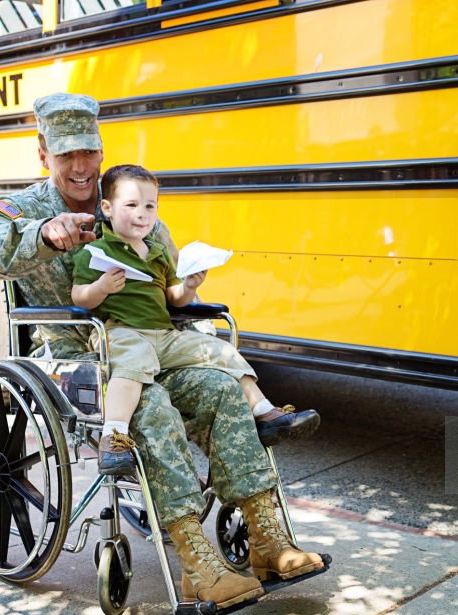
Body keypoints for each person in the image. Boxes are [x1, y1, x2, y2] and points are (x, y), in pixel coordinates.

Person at [0, 93, 324, 610]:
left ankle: (268, 541)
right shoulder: (24, 209)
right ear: (43, 153)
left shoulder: (130, 204)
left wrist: (187, 286)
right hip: (79, 360)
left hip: (151, 347)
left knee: (222, 388)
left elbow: (168, 291)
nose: (82, 166)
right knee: (149, 409)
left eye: (89, 151)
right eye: (67, 155)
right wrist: (43, 234)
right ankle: (198, 563)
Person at [70, 164, 319, 475]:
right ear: (107, 208)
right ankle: (114, 436)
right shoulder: (96, 250)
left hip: (163, 334)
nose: (143, 213)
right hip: (122, 332)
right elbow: (79, 296)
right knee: (134, 359)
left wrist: (188, 287)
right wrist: (101, 287)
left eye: (150, 205)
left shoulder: (157, 252)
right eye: (131, 205)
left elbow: (173, 299)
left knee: (220, 350)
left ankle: (265, 412)